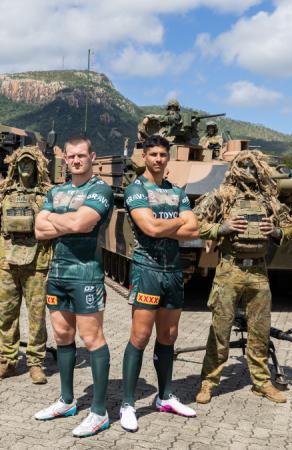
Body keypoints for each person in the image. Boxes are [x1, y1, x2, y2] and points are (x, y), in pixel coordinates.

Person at [193, 150, 292, 405]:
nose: (249, 171)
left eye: (253, 167)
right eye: (244, 166)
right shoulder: (221, 196)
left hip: (258, 271)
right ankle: (209, 382)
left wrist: (277, 231)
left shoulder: (269, 200)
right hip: (230, 269)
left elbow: (291, 229)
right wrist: (220, 228)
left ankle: (261, 383)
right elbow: (194, 223)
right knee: (220, 329)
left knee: (260, 331)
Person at [32, 136, 114, 438]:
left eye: (81, 156)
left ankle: (99, 411)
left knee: (92, 339)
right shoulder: (57, 190)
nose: (76, 161)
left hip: (86, 274)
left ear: (92, 157)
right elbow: (38, 231)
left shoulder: (100, 190)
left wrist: (53, 218)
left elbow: (81, 224)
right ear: (65, 159)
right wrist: (66, 220)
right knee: (62, 336)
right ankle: (67, 401)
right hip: (57, 273)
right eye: (71, 157)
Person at [118, 134, 199, 432]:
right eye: (152, 154)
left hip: (173, 272)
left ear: (168, 158)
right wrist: (177, 222)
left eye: (162, 155)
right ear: (144, 157)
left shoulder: (177, 191)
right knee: (139, 337)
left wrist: (171, 225)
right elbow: (149, 227)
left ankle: (164, 396)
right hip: (147, 270)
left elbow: (194, 229)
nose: (157, 159)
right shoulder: (136, 190)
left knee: (169, 335)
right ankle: (127, 403)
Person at [0, 146, 52, 384]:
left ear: (37, 166)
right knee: (7, 315)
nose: (26, 167)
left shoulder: (48, 195)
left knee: (37, 316)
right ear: (15, 167)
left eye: (30, 163)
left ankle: (36, 363)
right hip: (6, 263)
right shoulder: (3, 194)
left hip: (37, 264)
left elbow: (59, 230)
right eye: (22, 164)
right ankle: (7, 361)